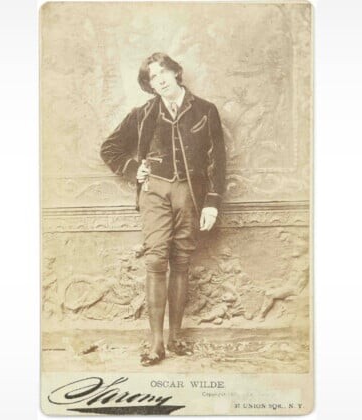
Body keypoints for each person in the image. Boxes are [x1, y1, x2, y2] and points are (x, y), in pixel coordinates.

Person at [100, 52, 226, 366]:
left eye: (162, 73)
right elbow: (110, 148)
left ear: (175, 72)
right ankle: (156, 344)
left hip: (190, 194)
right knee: (156, 259)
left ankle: (176, 338)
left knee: (181, 260)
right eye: (153, 78)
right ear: (150, 86)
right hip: (154, 191)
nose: (160, 81)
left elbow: (217, 161)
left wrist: (211, 204)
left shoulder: (205, 111)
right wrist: (134, 169)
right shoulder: (143, 113)